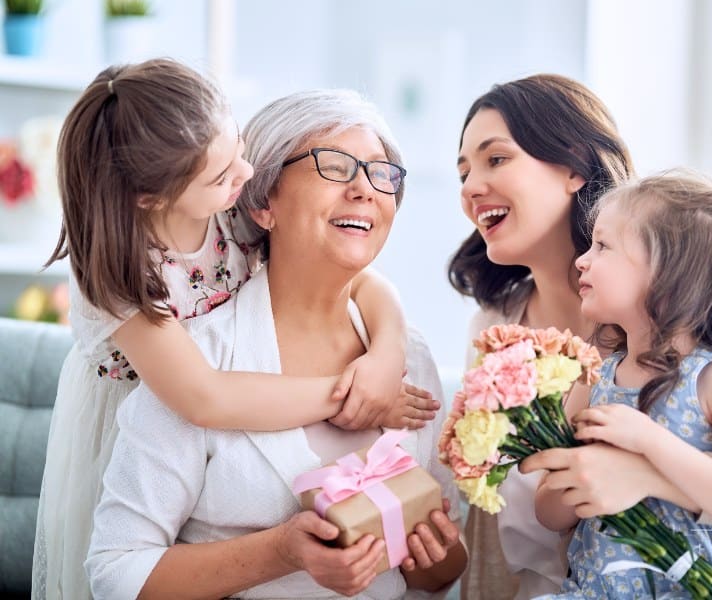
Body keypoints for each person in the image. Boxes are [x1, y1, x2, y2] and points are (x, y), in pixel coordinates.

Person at [34, 60, 436, 600]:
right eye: (334, 166)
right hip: (153, 387)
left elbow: (365, 279)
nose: (242, 177)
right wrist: (349, 399)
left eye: (241, 154)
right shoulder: (126, 284)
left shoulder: (224, 206)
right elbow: (205, 397)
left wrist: (385, 357)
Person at [449, 74, 712, 599]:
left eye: (496, 159)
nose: (471, 186)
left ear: (573, 167)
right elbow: (509, 524)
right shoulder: (495, 331)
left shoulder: (695, 334)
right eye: (463, 171)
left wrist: (646, 471)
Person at [532, 170, 712, 598]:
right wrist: (579, 477)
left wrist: (647, 443)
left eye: (603, 246)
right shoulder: (593, 378)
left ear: (667, 276)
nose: (582, 259)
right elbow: (547, 513)